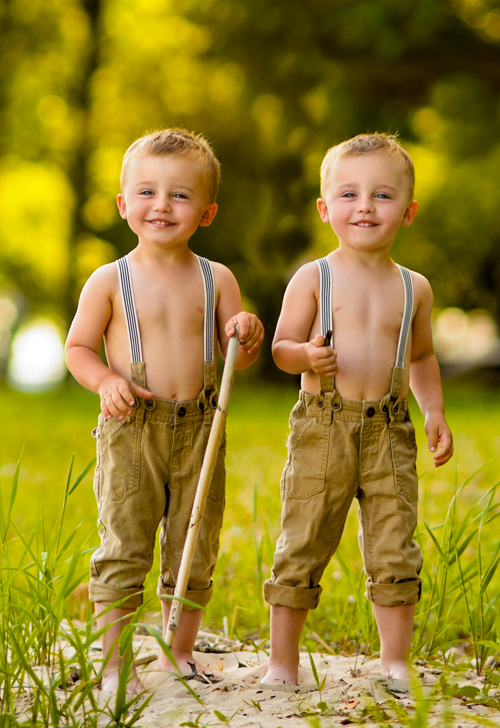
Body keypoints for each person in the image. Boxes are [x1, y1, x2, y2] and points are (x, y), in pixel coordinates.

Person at [65, 128, 264, 694]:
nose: (162, 205)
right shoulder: (109, 280)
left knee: (193, 543)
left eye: (180, 195)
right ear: (124, 205)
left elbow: (237, 358)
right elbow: (77, 348)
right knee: (125, 543)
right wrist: (104, 379)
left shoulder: (216, 277)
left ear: (206, 212)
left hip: (202, 424)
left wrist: (246, 336)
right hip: (134, 429)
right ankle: (112, 663)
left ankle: (178, 653)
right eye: (147, 192)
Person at [262, 133, 453, 685]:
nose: (365, 206)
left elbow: (420, 356)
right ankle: (283, 662)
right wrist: (306, 356)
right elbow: (280, 348)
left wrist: (433, 411)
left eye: (382, 195)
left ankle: (393, 659)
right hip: (324, 426)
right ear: (325, 209)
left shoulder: (414, 287)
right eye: (348, 194)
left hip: (389, 429)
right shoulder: (314, 277)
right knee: (304, 536)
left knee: (395, 541)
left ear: (408, 211)